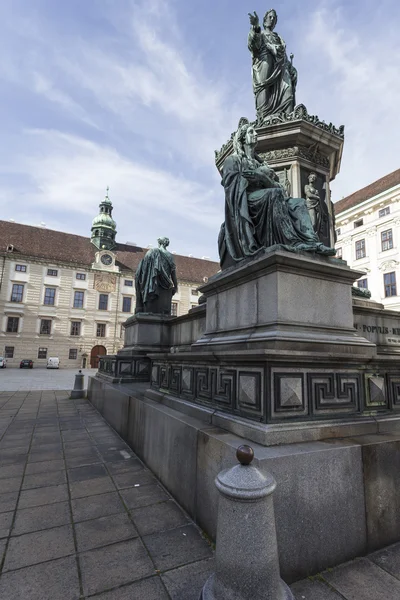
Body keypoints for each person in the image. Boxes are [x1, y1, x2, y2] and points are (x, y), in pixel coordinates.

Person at [218, 120, 336, 269]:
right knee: (273, 195)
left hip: (267, 194)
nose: (255, 134)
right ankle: (292, 241)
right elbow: (230, 186)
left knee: (298, 203)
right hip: (246, 200)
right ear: (242, 139)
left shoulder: (262, 164)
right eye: (251, 132)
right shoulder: (233, 160)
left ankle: (312, 242)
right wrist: (251, 180)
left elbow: (278, 186)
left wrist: (263, 178)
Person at [248, 9, 297, 122]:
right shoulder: (260, 34)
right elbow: (253, 46)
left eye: (274, 18)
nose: (272, 19)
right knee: (263, 96)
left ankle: (288, 122)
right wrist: (255, 27)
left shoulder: (278, 38)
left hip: (281, 69)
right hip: (264, 66)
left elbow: (283, 56)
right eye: (270, 17)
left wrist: (291, 67)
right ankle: (263, 123)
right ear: (264, 20)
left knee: (288, 90)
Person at [135, 237, 178, 314]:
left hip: (154, 285)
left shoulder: (152, 252)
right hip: (166, 286)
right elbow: (173, 273)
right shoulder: (170, 256)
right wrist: (176, 286)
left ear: (159, 243)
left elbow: (145, 270)